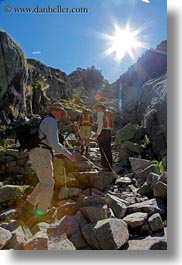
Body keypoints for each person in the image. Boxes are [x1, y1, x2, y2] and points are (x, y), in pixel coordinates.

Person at [19, 102, 76, 221]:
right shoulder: (51, 121)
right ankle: (41, 215)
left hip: (36, 152)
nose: (61, 115)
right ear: (55, 111)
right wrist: (69, 155)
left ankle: (28, 206)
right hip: (42, 154)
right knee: (48, 184)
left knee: (44, 181)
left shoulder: (44, 120)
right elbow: (54, 143)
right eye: (61, 112)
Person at [94, 103, 113, 172]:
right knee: (108, 149)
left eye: (96, 108)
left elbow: (100, 125)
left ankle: (104, 167)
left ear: (100, 107)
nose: (96, 110)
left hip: (102, 132)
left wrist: (97, 134)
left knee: (102, 150)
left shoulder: (100, 113)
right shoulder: (109, 113)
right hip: (109, 132)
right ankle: (110, 166)